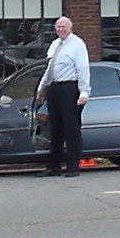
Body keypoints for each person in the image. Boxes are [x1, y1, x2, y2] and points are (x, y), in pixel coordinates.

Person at [34, 16, 91, 177]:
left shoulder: (77, 45)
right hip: (54, 88)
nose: (60, 29)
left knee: (71, 129)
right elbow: (49, 68)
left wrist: (84, 92)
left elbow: (83, 69)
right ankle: (54, 167)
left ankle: (73, 167)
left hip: (70, 88)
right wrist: (42, 87)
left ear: (70, 27)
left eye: (63, 26)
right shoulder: (54, 45)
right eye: (58, 27)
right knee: (55, 129)